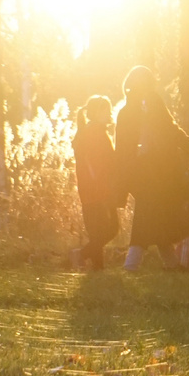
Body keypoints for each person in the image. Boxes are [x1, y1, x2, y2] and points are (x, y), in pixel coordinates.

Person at [115, 65, 189, 271]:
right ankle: (132, 262)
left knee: (155, 213)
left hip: (159, 170)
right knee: (147, 212)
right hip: (142, 172)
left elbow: (170, 129)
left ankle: (170, 263)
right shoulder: (127, 112)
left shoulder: (152, 105)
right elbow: (123, 149)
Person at [71, 95, 120, 271]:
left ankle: (95, 267)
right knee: (110, 229)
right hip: (97, 189)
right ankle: (82, 256)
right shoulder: (93, 133)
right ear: (97, 112)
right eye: (105, 109)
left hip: (93, 189)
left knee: (99, 232)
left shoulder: (94, 131)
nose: (109, 112)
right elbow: (100, 162)